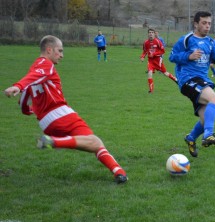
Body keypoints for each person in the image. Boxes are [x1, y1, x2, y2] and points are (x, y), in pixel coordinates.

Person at [3, 35, 128, 184]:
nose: (62, 55)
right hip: (61, 114)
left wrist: (27, 109)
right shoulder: (45, 65)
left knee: (90, 143)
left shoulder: (34, 68)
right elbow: (35, 77)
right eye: (60, 51)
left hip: (45, 123)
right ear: (49, 50)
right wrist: (18, 86)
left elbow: (25, 97)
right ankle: (55, 142)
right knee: (94, 141)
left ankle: (119, 173)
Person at [169, 11, 215, 157]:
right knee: (214, 99)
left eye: (209, 23)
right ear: (196, 24)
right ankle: (208, 136)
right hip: (187, 79)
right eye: (204, 23)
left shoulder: (211, 42)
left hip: (202, 80)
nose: (207, 26)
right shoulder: (186, 39)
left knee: (206, 120)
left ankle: (191, 138)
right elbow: (172, 56)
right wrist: (188, 56)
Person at [140, 28, 177, 93]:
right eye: (149, 32)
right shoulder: (146, 42)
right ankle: (151, 90)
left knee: (165, 73)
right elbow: (145, 51)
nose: (151, 34)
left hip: (158, 61)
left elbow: (163, 51)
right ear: (148, 34)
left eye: (152, 32)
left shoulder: (157, 41)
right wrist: (142, 57)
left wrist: (154, 54)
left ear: (154, 34)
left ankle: (176, 80)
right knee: (149, 73)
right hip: (150, 61)